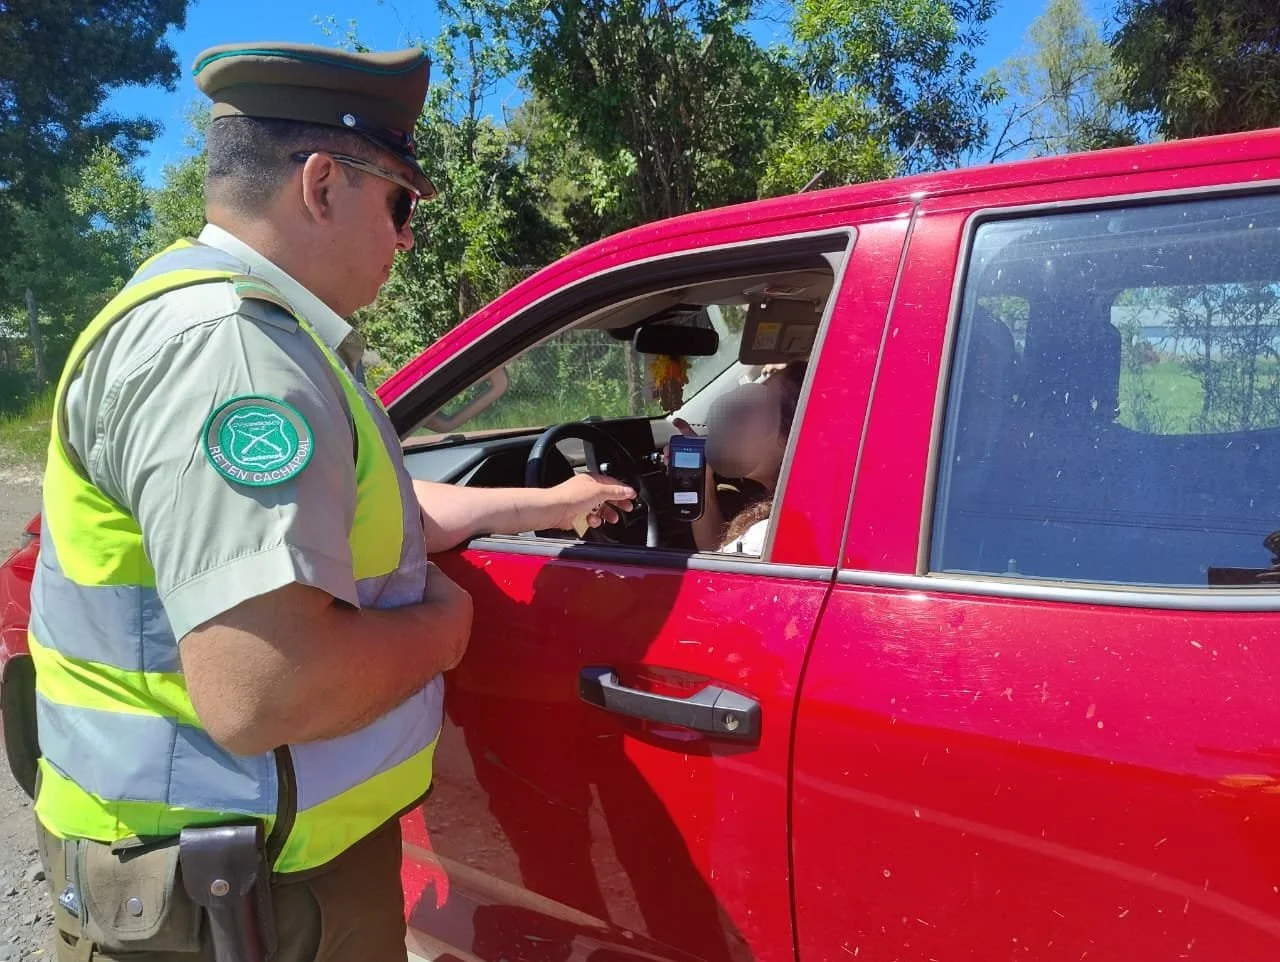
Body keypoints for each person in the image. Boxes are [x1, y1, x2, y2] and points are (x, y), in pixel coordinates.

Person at [27, 42, 634, 962]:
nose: (406, 238)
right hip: (229, 903)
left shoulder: (223, 324)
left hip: (228, 873)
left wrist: (548, 502)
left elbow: (370, 518)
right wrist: (450, 627)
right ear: (320, 185)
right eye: (401, 203)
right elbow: (266, 690)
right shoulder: (234, 357)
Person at [671, 361, 807, 555]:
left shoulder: (764, 538)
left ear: (791, 438)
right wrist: (702, 474)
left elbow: (713, 575)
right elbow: (713, 554)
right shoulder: (791, 513)